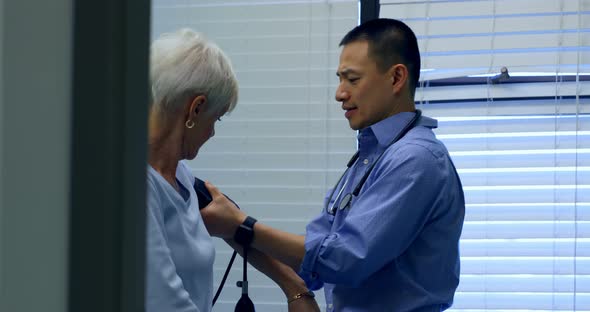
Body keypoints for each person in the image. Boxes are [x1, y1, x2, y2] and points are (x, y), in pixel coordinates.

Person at [200, 18, 466, 311]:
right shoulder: (370, 157)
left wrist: (242, 225)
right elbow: (315, 253)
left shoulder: (416, 160)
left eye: (352, 80)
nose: (340, 93)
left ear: (396, 78)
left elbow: (342, 259)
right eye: (340, 79)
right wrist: (239, 230)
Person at [146, 28, 320, 312]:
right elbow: (167, 304)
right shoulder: (140, 188)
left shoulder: (181, 177)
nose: (213, 132)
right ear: (196, 109)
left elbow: (230, 227)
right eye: (217, 118)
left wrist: (293, 287)